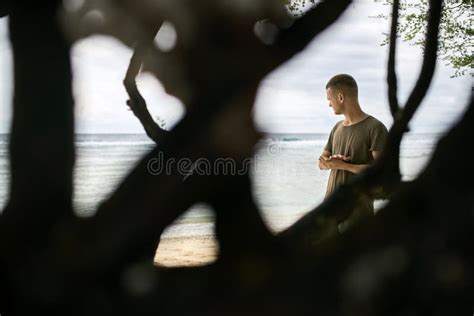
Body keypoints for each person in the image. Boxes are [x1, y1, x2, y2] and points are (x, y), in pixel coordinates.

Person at [318, 74, 388, 223]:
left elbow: (381, 171)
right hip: (330, 207)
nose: (329, 104)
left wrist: (344, 166)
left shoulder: (375, 128)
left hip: (357, 212)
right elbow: (321, 163)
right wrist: (330, 161)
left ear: (340, 97)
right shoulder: (336, 128)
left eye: (330, 100)